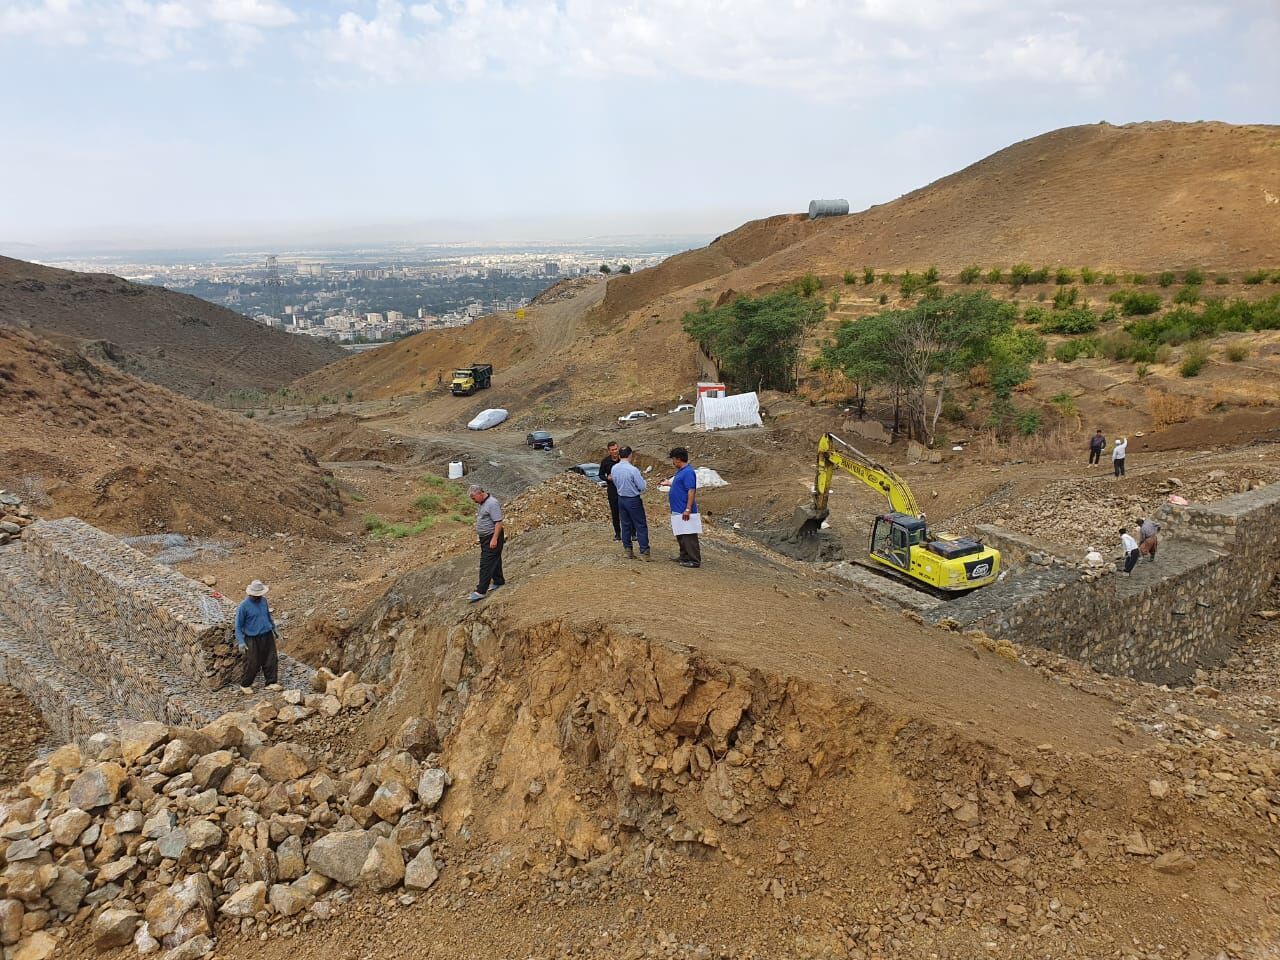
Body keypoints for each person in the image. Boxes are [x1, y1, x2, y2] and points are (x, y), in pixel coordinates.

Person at [235, 580, 278, 692]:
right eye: (255, 595)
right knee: (252, 662)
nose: (258, 597)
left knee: (271, 659)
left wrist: (274, 628)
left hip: (267, 634)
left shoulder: (264, 601)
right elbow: (238, 626)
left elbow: (268, 616)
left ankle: (271, 682)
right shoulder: (243, 606)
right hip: (252, 637)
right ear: (250, 594)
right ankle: (245, 685)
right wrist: (241, 642)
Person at [610, 447, 650, 560]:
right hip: (633, 499)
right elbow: (642, 487)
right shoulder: (633, 470)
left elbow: (614, 481)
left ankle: (628, 550)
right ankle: (644, 552)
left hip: (621, 498)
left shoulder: (614, 468)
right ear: (630, 455)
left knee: (625, 525)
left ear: (619, 455)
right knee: (640, 525)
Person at [466, 484, 505, 602]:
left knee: (486, 563)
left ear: (479, 493)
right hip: (485, 538)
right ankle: (498, 581)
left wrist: (494, 539)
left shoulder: (492, 503)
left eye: (473, 498)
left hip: (492, 537)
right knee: (495, 560)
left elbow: (498, 523)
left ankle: (481, 591)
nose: (473, 501)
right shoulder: (483, 503)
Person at [668, 446, 701, 568]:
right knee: (681, 535)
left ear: (678, 459)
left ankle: (694, 559)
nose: (673, 462)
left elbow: (691, 490)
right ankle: (684, 556)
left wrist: (688, 509)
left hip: (684, 510)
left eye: (673, 459)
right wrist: (669, 484)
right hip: (678, 510)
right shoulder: (682, 471)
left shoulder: (688, 472)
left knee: (689, 536)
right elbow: (681, 485)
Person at [598, 441, 623, 541]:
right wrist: (607, 478)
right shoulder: (605, 461)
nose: (615, 451)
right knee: (615, 512)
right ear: (609, 451)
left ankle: (633, 533)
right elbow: (600, 474)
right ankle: (618, 534)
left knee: (627, 511)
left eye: (616, 449)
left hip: (624, 488)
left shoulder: (623, 459)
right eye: (612, 450)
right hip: (612, 489)